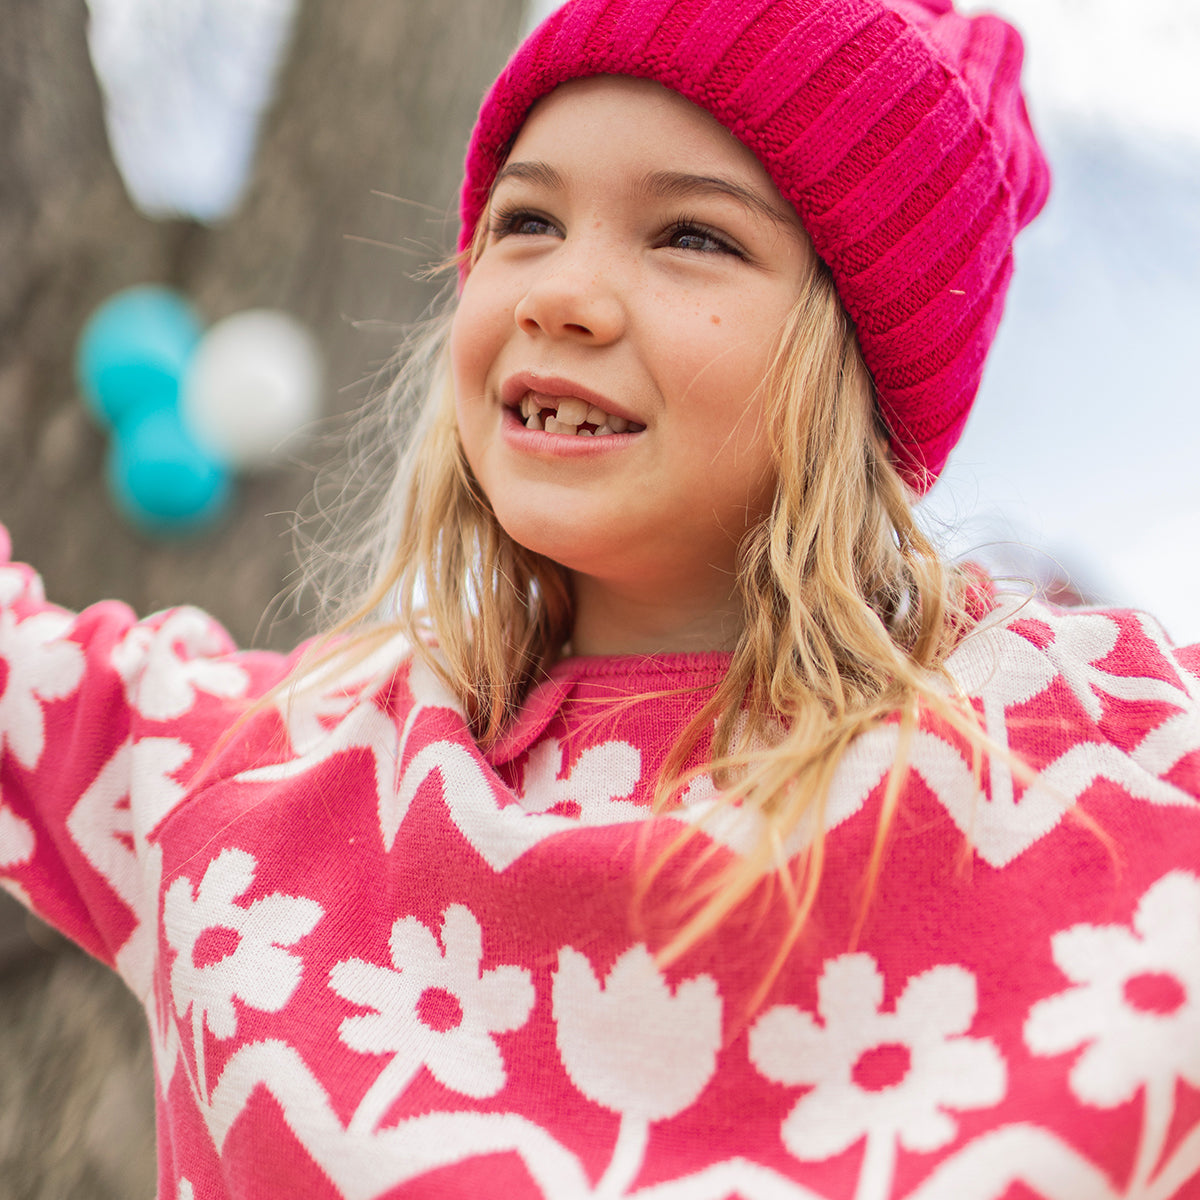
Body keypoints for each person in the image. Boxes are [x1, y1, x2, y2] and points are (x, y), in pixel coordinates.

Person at [2, 0, 1199, 1197]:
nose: (561, 292)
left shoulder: (1098, 765)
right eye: (525, 220)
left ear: (859, 363)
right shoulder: (262, 777)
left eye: (692, 237)